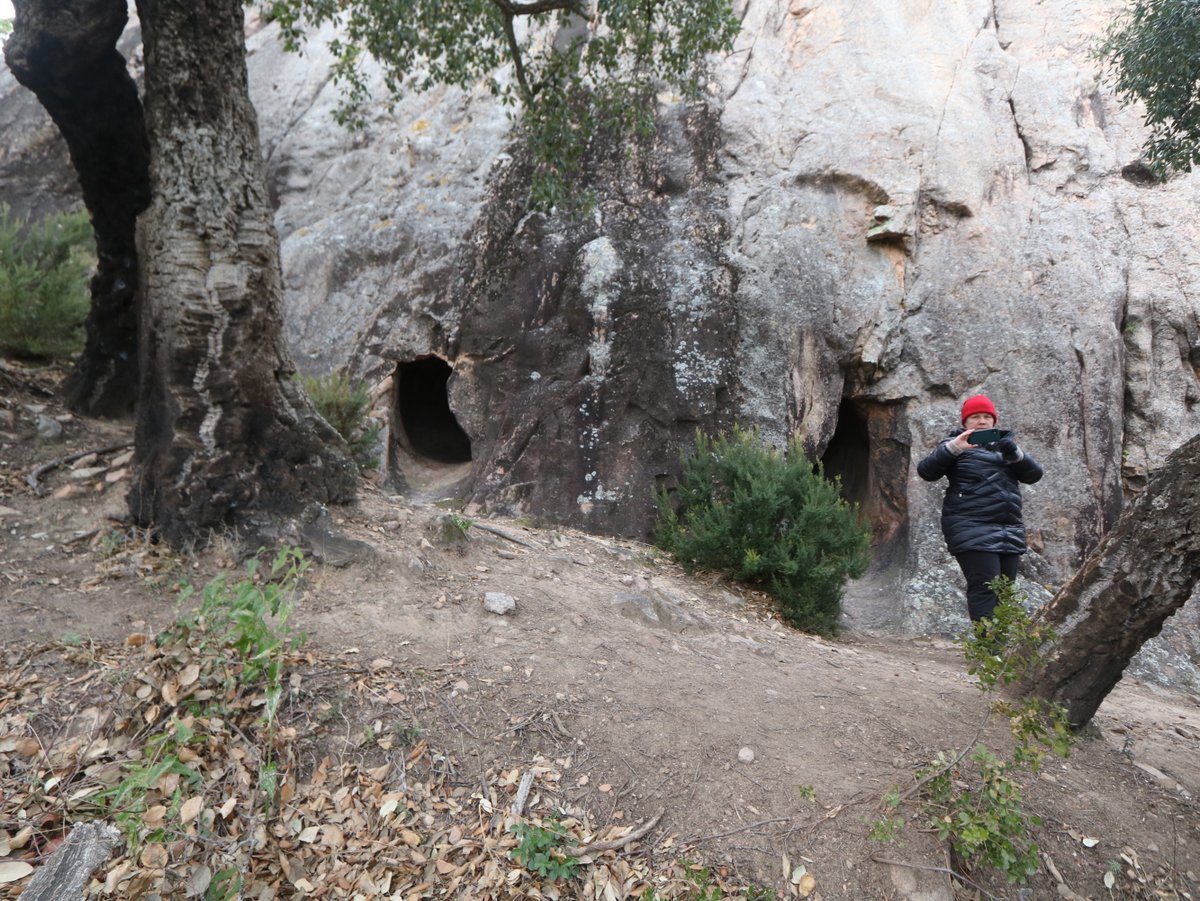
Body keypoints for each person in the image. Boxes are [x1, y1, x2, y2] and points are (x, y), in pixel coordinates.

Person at [917, 395, 1043, 622]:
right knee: (985, 587)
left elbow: (1034, 475)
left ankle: (1001, 649)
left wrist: (1016, 454)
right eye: (975, 417)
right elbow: (927, 471)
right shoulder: (954, 446)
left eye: (987, 417)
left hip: (1009, 530)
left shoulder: (1006, 448)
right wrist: (955, 447)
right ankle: (989, 649)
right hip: (970, 526)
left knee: (1005, 592)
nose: (982, 422)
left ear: (994, 422)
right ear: (965, 422)